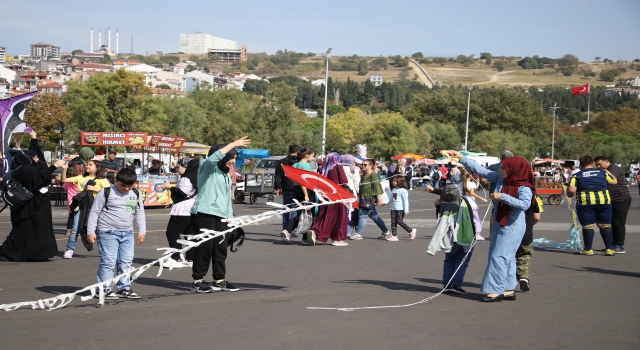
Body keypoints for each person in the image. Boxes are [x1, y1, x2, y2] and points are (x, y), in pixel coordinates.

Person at [447, 150, 535, 302]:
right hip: (500, 221)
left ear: (513, 170)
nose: (499, 170)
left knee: (498, 256)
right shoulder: (500, 179)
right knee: (506, 257)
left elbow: (525, 204)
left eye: (503, 168)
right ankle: (508, 289)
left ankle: (496, 290)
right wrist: (461, 158)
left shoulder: (524, 187)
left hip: (513, 225)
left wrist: (503, 196)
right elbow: (481, 170)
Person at [190, 136, 251, 293]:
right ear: (222, 156)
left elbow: (226, 198)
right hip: (204, 213)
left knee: (220, 248)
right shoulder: (206, 167)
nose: (232, 162)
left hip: (221, 215)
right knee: (205, 247)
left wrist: (230, 218)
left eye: (234, 159)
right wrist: (234, 144)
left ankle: (219, 280)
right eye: (231, 158)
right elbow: (213, 158)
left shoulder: (225, 174)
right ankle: (198, 281)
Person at [0, 131, 66, 261]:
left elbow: (39, 160)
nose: (36, 159)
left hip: (39, 204)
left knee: (40, 229)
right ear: (25, 158)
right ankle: (11, 252)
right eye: (33, 158)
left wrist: (34, 139)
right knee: (25, 230)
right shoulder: (22, 169)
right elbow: (38, 178)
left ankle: (39, 253)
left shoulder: (31, 166)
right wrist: (53, 166)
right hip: (29, 205)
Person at [86, 168, 146, 299]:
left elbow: (139, 212)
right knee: (108, 261)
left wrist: (142, 231)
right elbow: (94, 212)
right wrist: (90, 231)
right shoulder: (106, 192)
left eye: (129, 186)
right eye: (123, 185)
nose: (126, 189)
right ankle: (105, 289)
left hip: (128, 233)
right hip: (108, 232)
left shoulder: (135, 193)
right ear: (116, 180)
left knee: (126, 261)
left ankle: (124, 288)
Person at [567, 155, 617, 256]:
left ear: (580, 165)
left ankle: (588, 249)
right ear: (593, 164)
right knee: (605, 225)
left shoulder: (577, 176)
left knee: (588, 226)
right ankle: (609, 249)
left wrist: (569, 193)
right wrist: (607, 172)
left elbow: (571, 191)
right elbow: (614, 182)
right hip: (603, 201)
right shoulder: (602, 173)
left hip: (586, 203)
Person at [60, 159, 111, 259]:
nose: (87, 166)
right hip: (82, 206)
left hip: (96, 207)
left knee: (100, 229)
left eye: (90, 165)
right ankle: (69, 249)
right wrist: (64, 170)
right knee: (75, 228)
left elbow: (108, 193)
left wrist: (94, 189)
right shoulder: (80, 177)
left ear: (98, 168)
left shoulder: (102, 180)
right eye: (87, 164)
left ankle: (104, 251)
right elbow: (64, 180)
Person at [306, 152, 349, 246]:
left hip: (325, 195)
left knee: (324, 215)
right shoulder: (338, 167)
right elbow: (344, 181)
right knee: (338, 217)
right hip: (337, 196)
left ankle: (315, 230)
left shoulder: (323, 168)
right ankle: (337, 238)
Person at [163, 157, 199, 268]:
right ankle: (191, 258)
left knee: (172, 233)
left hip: (183, 210)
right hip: (192, 209)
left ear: (185, 167)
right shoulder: (197, 176)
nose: (177, 169)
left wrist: (170, 187)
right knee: (190, 235)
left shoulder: (186, 178)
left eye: (178, 167)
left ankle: (176, 258)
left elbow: (183, 193)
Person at [594, 156, 630, 254]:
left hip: (621, 199)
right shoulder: (603, 170)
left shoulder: (614, 169)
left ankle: (619, 245)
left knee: (618, 222)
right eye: (597, 165)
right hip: (611, 200)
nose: (598, 167)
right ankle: (613, 245)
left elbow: (612, 179)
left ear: (607, 162)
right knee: (611, 222)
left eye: (600, 164)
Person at [281, 148, 317, 245]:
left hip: (296, 190)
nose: (313, 158)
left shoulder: (295, 165)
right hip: (305, 190)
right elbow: (303, 181)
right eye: (312, 156)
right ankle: (288, 231)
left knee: (302, 213)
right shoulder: (305, 166)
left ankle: (303, 237)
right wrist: (306, 194)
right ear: (307, 156)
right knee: (306, 214)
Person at [351, 159, 389, 241]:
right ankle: (386, 232)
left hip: (369, 199)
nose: (363, 166)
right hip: (363, 199)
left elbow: (377, 187)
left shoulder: (373, 175)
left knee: (362, 215)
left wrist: (379, 199)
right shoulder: (364, 175)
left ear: (371, 165)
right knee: (374, 216)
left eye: (365, 165)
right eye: (362, 164)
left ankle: (358, 233)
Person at [517, 195, 543, 291]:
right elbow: (536, 217)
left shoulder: (505, 193)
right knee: (525, 255)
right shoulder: (532, 197)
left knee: (509, 257)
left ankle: (508, 281)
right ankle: (523, 275)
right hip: (526, 232)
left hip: (507, 233)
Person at [274, 144, 301, 231]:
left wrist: (278, 187)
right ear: (298, 152)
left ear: (289, 152)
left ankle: (285, 228)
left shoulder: (282, 162)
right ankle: (291, 230)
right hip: (297, 188)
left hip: (286, 188)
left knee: (286, 209)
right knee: (294, 209)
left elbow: (277, 176)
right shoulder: (299, 162)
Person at [461, 169, 488, 240]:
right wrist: (482, 198)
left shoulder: (460, 184)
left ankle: (465, 233)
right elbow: (471, 193)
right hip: (471, 204)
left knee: (465, 219)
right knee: (475, 219)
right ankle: (477, 233)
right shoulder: (471, 184)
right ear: (470, 176)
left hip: (462, 203)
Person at [387, 177, 416, 241]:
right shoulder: (394, 189)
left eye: (395, 181)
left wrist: (406, 210)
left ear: (399, 182)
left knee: (399, 221)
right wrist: (383, 202)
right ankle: (394, 236)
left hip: (400, 209)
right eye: (393, 181)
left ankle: (411, 231)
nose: (393, 182)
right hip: (393, 209)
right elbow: (390, 198)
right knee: (393, 222)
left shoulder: (403, 191)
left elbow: (405, 201)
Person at [340, 154, 360, 237]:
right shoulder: (354, 170)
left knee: (341, 213)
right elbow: (357, 184)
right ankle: (348, 231)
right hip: (351, 193)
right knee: (351, 213)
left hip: (340, 193)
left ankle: (341, 230)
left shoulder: (338, 168)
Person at [60, 165, 82, 235]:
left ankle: (68, 230)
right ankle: (77, 230)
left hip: (70, 200)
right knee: (79, 215)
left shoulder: (67, 183)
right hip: (79, 199)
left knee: (71, 215)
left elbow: (64, 187)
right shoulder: (79, 181)